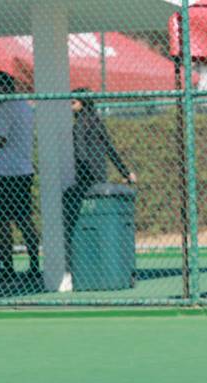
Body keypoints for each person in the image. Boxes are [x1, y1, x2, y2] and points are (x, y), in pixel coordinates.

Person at [63, 88, 136, 269]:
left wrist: (84, 176)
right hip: (99, 176)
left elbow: (80, 152)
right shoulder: (97, 121)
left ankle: (74, 266)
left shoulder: (80, 124)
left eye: (73, 102)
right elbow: (110, 149)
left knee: (74, 221)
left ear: (83, 103)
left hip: (86, 179)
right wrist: (125, 172)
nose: (70, 106)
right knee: (98, 219)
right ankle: (102, 263)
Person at [0, 71, 40, 279]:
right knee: (24, 218)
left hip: (4, 172)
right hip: (23, 170)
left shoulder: (4, 108)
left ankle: (8, 267)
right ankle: (34, 264)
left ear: (1, 88)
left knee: (2, 221)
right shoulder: (25, 106)